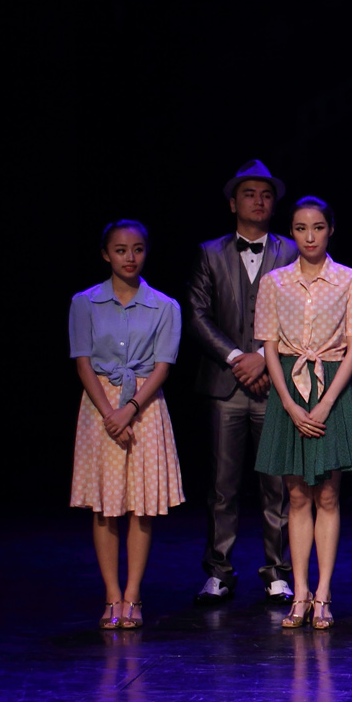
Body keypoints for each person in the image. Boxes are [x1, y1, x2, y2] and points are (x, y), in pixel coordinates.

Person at [252, 198, 352, 631]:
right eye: (301, 228)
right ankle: (300, 592)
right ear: (292, 231)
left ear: (330, 229)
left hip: (331, 385)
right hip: (289, 385)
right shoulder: (274, 282)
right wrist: (287, 402)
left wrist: (324, 403)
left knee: (328, 495)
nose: (309, 236)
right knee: (297, 495)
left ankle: (323, 593)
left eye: (318, 227)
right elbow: (268, 346)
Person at [184, 160, 296, 606]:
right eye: (249, 194)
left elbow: (303, 314)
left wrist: (265, 360)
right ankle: (219, 571)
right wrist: (236, 357)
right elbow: (197, 313)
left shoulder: (291, 251)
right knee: (222, 484)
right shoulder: (209, 253)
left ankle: (278, 571)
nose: (258, 201)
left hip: (275, 384)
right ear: (233, 203)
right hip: (225, 384)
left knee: (278, 484)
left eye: (266, 195)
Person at [70, 220, 184, 630]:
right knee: (105, 505)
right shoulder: (84, 302)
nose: (129, 257)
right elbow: (83, 362)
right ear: (106, 254)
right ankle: (112, 596)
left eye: (137, 249)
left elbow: (162, 366)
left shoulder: (165, 306)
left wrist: (130, 408)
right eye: (120, 250)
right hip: (98, 406)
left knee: (140, 505)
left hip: (145, 406)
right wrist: (109, 412)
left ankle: (133, 595)